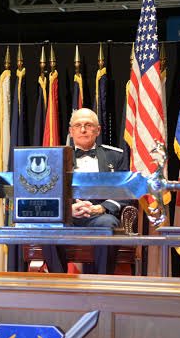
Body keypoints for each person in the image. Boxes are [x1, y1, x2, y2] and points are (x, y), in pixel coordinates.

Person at [42, 108, 129, 274]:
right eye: (78, 125)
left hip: (99, 216)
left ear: (98, 130)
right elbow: (46, 192)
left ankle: (102, 282)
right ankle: (58, 281)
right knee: (48, 225)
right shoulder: (54, 157)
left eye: (88, 125)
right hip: (67, 216)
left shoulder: (115, 156)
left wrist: (101, 208)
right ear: (71, 131)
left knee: (108, 224)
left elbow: (124, 191)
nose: (83, 130)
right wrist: (67, 210)